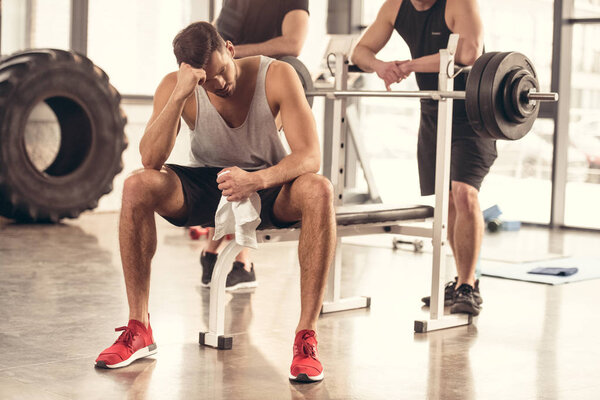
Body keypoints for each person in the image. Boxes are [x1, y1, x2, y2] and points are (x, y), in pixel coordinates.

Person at [95, 22, 334, 383]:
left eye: (221, 71)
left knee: (319, 189)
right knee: (136, 186)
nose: (219, 84)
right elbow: (150, 160)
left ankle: (306, 337)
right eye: (207, 80)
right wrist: (179, 94)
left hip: (268, 183)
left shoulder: (277, 76)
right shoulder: (179, 88)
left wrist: (257, 179)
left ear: (230, 48)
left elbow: (310, 156)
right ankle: (139, 327)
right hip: (210, 183)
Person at [351, 0, 494, 316]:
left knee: (465, 193)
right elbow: (359, 52)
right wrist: (381, 66)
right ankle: (459, 283)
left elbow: (469, 52)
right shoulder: (395, 7)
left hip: (473, 109)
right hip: (434, 109)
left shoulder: (459, 3)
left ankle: (468, 286)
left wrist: (409, 65)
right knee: (448, 200)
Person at [198, 0, 310, 291]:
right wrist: (221, 60)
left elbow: (293, 44)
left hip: (278, 72)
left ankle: (232, 259)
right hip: (234, 73)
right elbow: (210, 45)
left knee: (250, 154)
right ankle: (223, 256)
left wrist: (231, 55)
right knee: (227, 152)